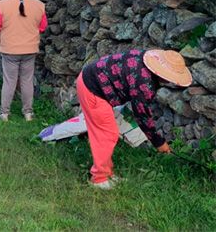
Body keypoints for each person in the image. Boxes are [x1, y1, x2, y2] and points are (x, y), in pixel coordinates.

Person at [76, 49, 192, 190]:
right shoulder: (144, 82)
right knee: (106, 134)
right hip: (92, 89)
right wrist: (159, 142)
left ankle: (107, 174)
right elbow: (142, 115)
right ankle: (99, 179)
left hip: (91, 79)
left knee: (107, 133)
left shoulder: (145, 60)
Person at [0, 0, 47, 122]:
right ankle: (28, 113)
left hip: (10, 50)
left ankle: (4, 113)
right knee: (27, 80)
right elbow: (43, 27)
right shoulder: (39, 5)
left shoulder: (3, 5)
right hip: (30, 49)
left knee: (9, 80)